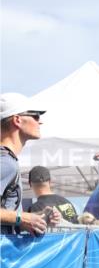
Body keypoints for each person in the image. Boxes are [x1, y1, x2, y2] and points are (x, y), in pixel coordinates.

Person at [1, 93, 58, 235]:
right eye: (36, 115)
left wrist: (36, 219)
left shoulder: (8, 159)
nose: (40, 122)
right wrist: (22, 218)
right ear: (17, 120)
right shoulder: (6, 161)